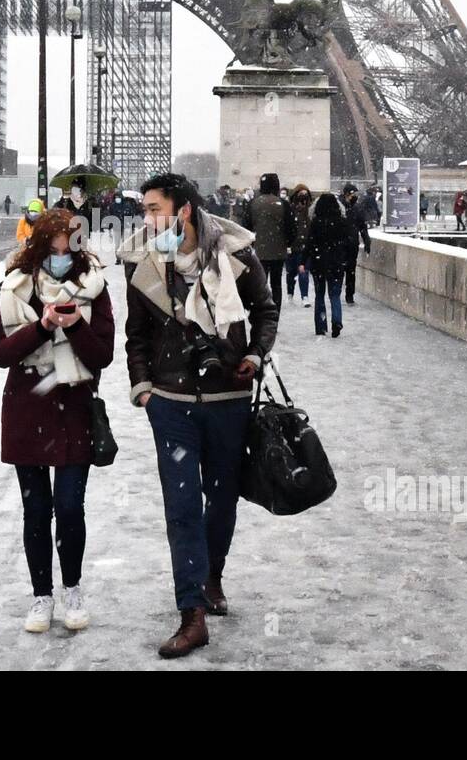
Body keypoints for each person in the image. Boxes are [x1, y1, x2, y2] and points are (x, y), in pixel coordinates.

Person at [118, 173, 279, 659]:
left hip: (228, 397)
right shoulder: (143, 263)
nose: (146, 218)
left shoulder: (237, 254)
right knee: (182, 506)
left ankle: (212, 575)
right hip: (170, 403)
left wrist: (253, 354)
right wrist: (144, 388)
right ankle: (191, 614)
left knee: (222, 499)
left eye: (152, 208)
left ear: (182, 210)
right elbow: (137, 334)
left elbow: (265, 310)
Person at [0, 208, 114, 634]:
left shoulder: (93, 288)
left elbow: (102, 356)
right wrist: (41, 326)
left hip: (75, 408)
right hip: (28, 408)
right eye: (54, 244)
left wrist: (76, 325)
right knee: (36, 509)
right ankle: (42, 595)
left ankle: (72, 587)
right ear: (40, 245)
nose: (61, 253)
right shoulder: (15, 287)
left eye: (68, 244)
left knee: (70, 506)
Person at [244, 172, 295, 307]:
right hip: (278, 250)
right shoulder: (283, 204)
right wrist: (287, 242)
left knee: (260, 284)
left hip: (259, 250)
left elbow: (246, 227)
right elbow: (291, 229)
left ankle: (262, 314)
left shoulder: (253, 204)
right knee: (276, 284)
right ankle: (274, 314)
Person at [301, 192, 348, 337]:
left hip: (319, 262)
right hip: (336, 263)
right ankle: (336, 321)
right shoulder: (341, 222)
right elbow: (347, 242)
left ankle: (321, 326)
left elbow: (309, 244)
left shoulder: (316, 222)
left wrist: (303, 261)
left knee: (319, 294)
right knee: (335, 294)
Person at [339, 183, 371, 305]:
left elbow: (363, 227)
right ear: (347, 194)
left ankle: (349, 295)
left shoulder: (357, 208)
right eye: (353, 194)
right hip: (340, 244)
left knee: (351, 270)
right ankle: (336, 292)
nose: (355, 196)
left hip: (352, 244)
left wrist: (367, 240)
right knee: (340, 269)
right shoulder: (339, 207)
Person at [285, 184, 313, 307]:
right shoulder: (290, 210)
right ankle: (290, 294)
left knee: (303, 272)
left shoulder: (310, 210)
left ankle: (304, 296)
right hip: (292, 246)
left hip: (305, 247)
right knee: (291, 272)